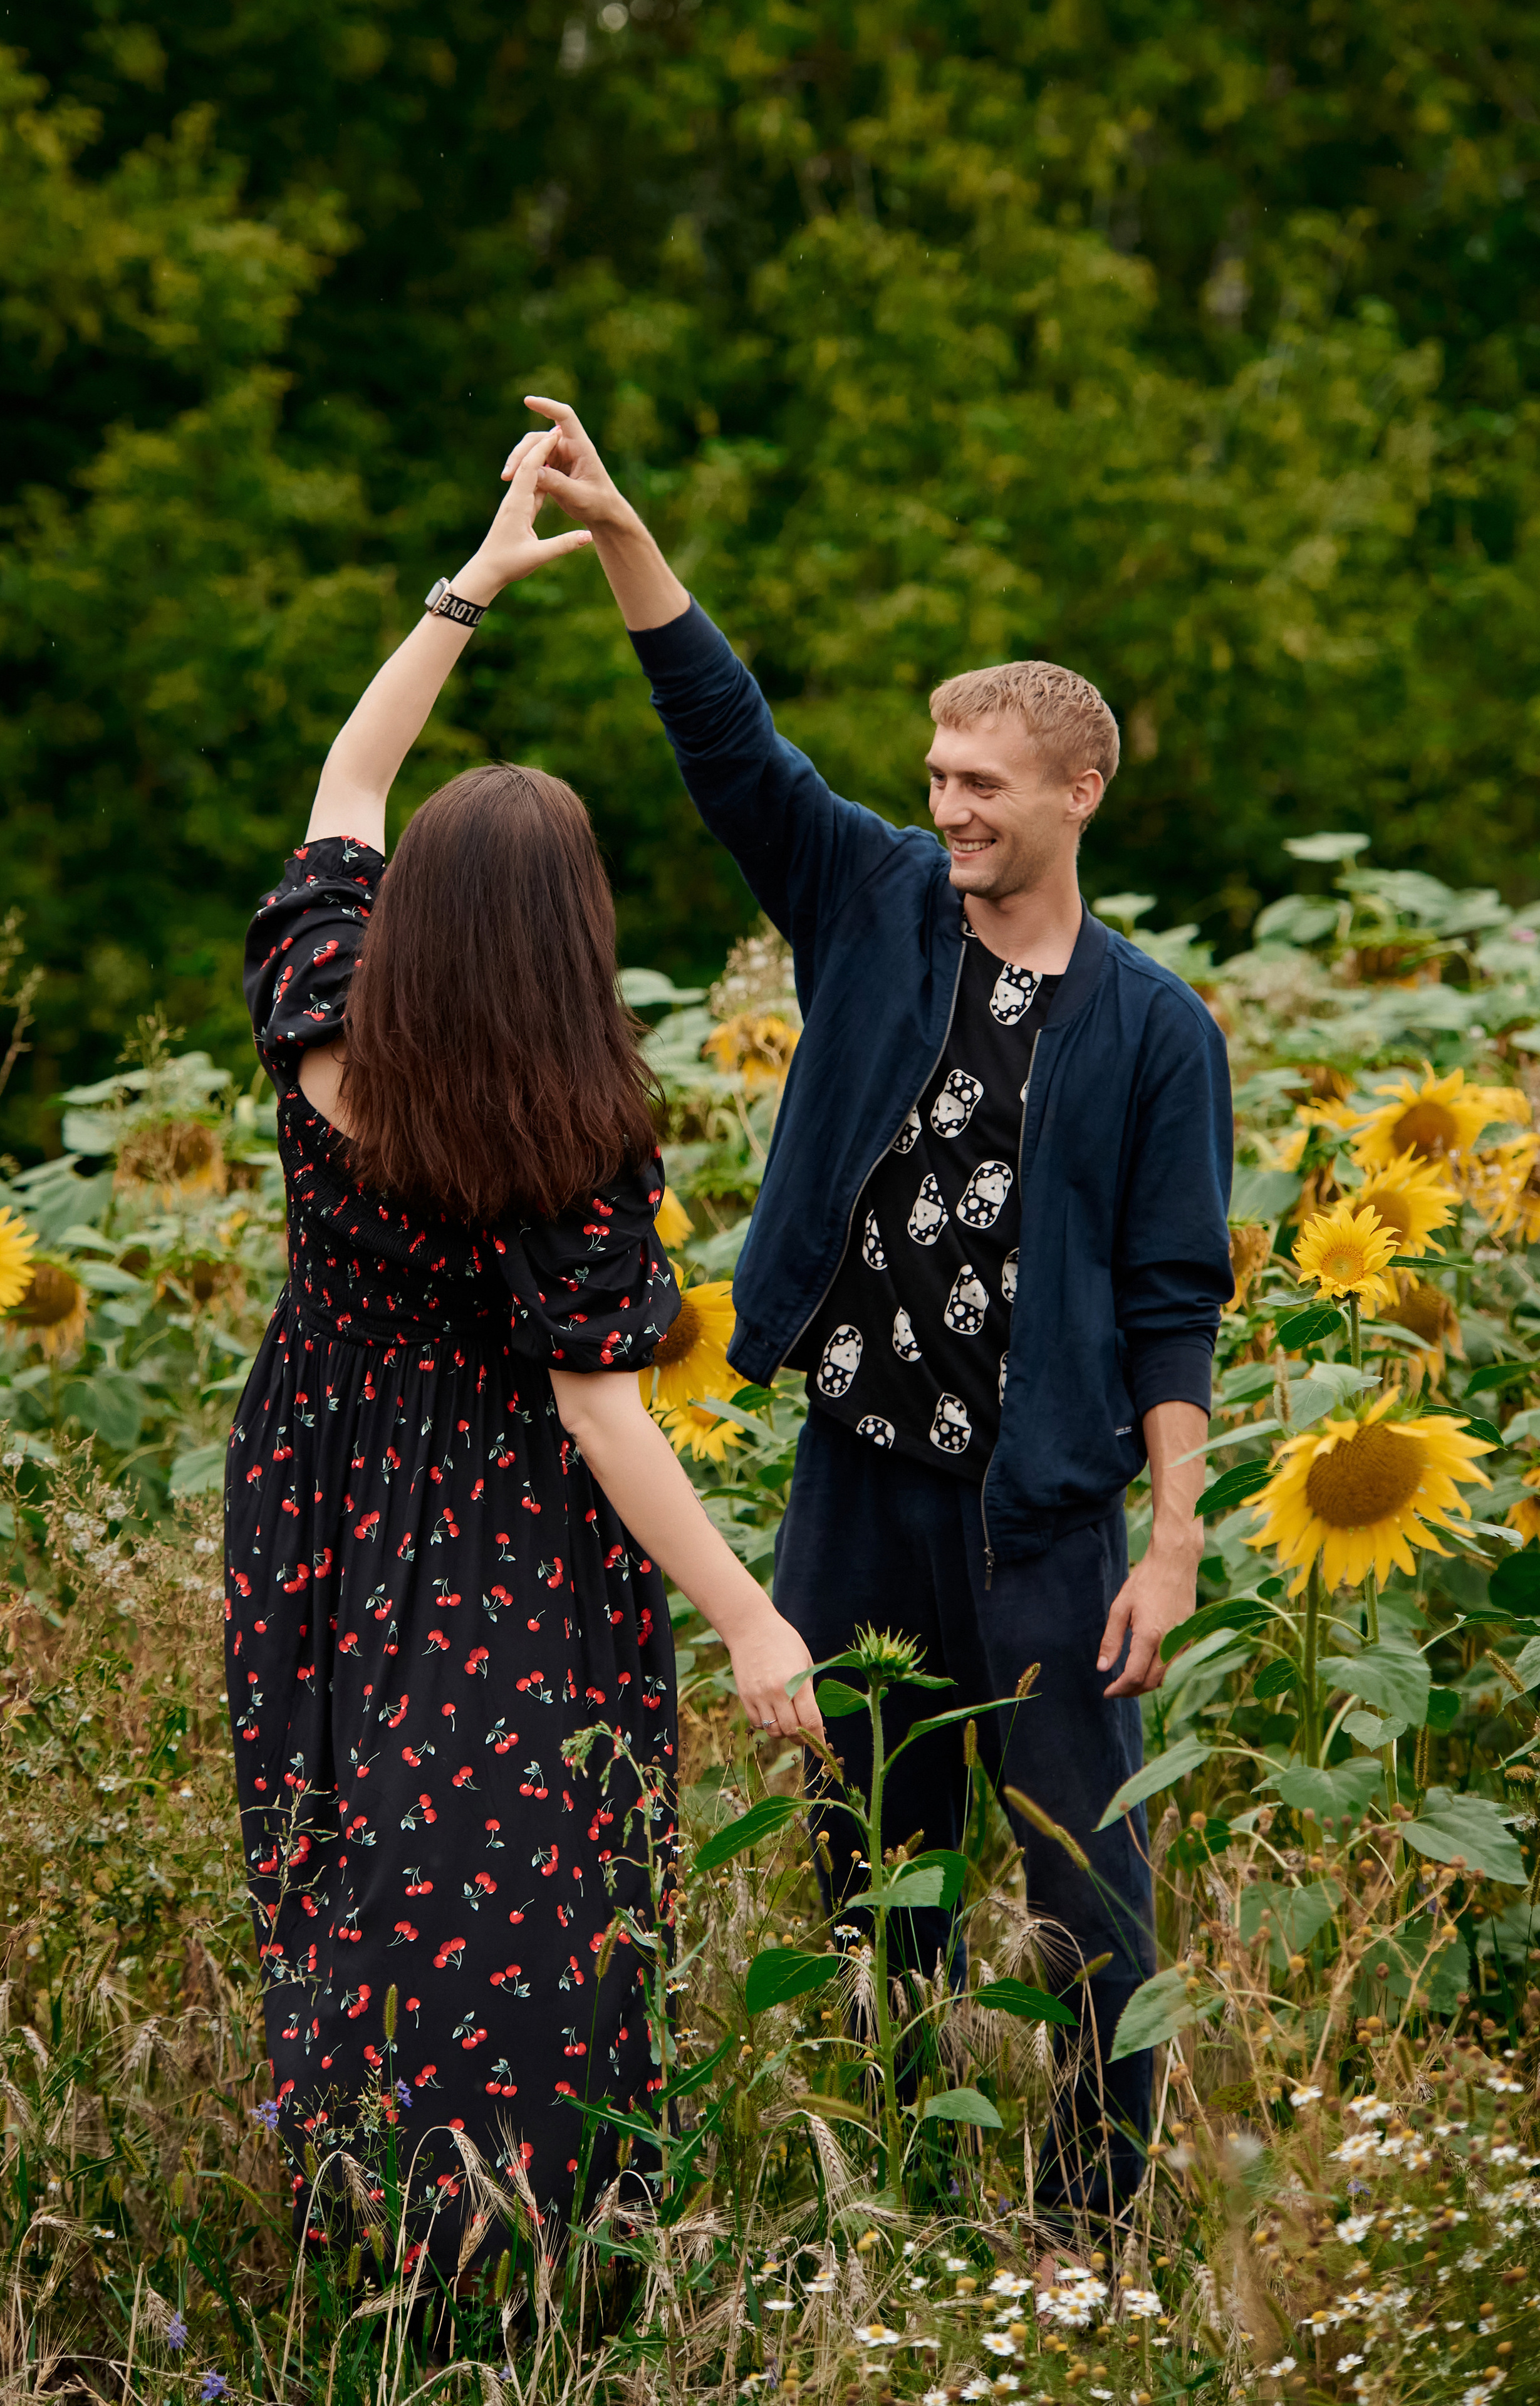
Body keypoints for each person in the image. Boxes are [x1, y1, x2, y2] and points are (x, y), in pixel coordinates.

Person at [506, 399, 1233, 2265]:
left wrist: (1176, 1535)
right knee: (873, 1892)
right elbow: (727, 743)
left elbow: (1172, 1298)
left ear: (1080, 795)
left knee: (1091, 1919)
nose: (947, 807)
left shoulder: (1158, 1033)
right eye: (934, 774)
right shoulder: (873, 903)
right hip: (861, 1497)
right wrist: (620, 535)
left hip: (1049, 1516)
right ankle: (894, 2223)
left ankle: (1085, 2258)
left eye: (983, 783)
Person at [223, 428, 821, 2281]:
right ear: (571, 947)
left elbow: (348, 773)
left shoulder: (320, 990)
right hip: (496, 1532)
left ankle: (371, 2232)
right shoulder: (567, 1142)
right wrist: (741, 1610)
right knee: (528, 1884)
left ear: (418, 918)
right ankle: (544, 2264)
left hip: (314, 1476)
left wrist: (476, 574)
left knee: (351, 1854)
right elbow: (596, 1406)